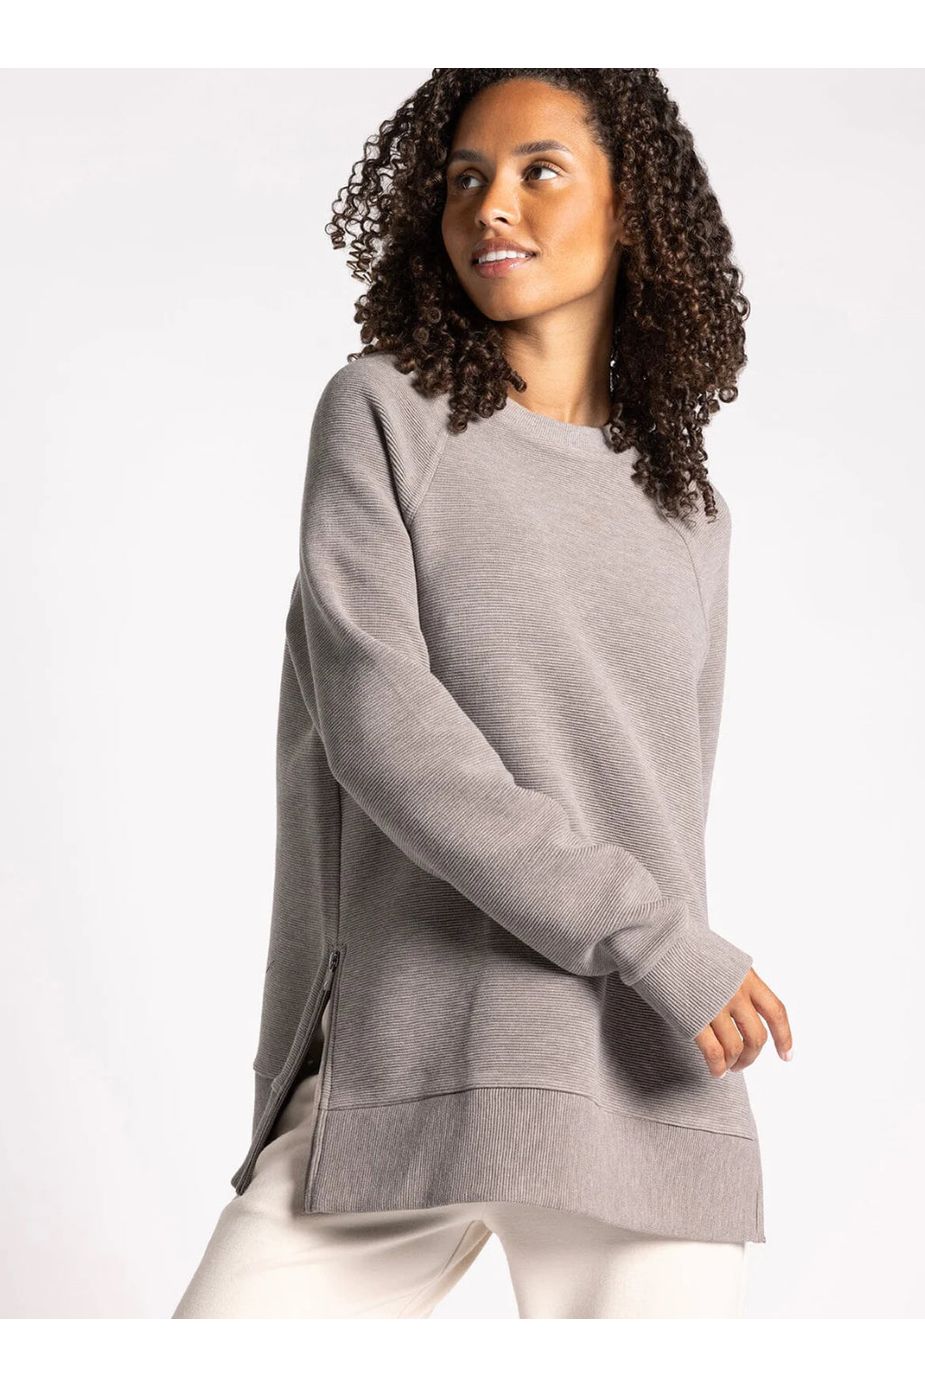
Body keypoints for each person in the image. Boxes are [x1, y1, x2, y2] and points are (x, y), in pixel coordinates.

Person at [173, 67, 793, 1320]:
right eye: (465, 178)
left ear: (631, 206)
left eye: (537, 171)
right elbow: (384, 733)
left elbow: (667, 799)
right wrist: (652, 936)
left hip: (639, 1074)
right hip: (410, 1054)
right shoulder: (383, 414)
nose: (490, 205)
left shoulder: (691, 514)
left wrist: (667, 957)